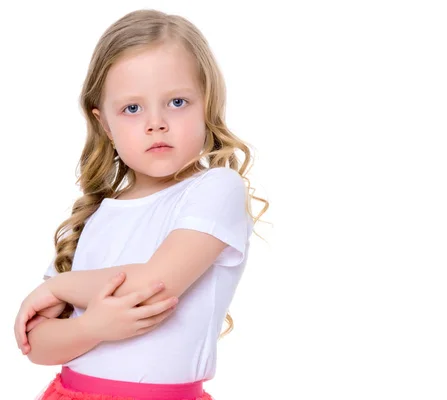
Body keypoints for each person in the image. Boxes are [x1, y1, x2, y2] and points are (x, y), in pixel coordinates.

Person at [12, 8, 268, 400]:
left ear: (208, 104)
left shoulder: (216, 189)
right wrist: (92, 327)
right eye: (132, 108)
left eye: (178, 102)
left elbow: (154, 284)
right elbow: (36, 344)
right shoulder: (97, 215)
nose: (156, 123)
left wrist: (61, 287)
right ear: (105, 125)